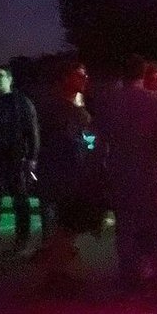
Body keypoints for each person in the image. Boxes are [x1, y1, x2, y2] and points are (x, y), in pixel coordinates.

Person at [96, 55, 157, 294]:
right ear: (143, 74)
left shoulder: (110, 102)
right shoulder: (155, 101)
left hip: (121, 173)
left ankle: (129, 278)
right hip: (151, 174)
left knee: (125, 228)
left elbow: (99, 139)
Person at [33, 60, 100, 291]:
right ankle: (57, 274)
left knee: (66, 225)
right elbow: (63, 144)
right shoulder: (56, 109)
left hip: (73, 175)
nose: (84, 79)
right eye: (79, 75)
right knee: (65, 223)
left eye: (85, 75)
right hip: (62, 175)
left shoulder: (75, 108)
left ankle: (58, 272)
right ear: (65, 78)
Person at [0, 66, 39, 250]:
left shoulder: (21, 102)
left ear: (10, 78)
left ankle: (22, 238)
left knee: (19, 197)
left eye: (1, 75)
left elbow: (32, 130)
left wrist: (31, 157)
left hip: (15, 156)